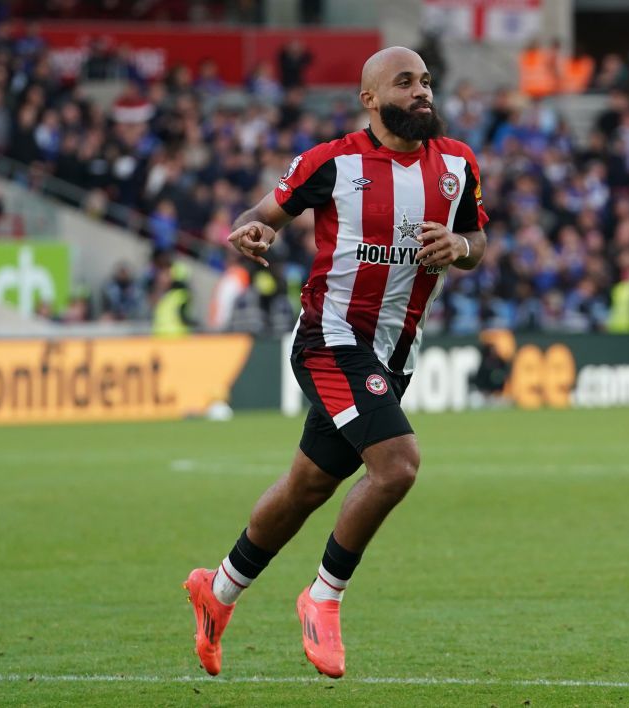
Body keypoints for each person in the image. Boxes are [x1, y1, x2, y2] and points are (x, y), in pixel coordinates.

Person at [184, 46, 488, 679]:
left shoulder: (457, 164)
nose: (422, 92)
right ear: (369, 98)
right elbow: (258, 216)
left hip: (393, 354)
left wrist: (459, 244)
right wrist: (253, 232)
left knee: (307, 487)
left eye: (426, 81)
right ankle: (323, 596)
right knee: (398, 465)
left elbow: (477, 241)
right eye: (405, 82)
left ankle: (218, 591)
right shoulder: (332, 162)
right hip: (330, 339)